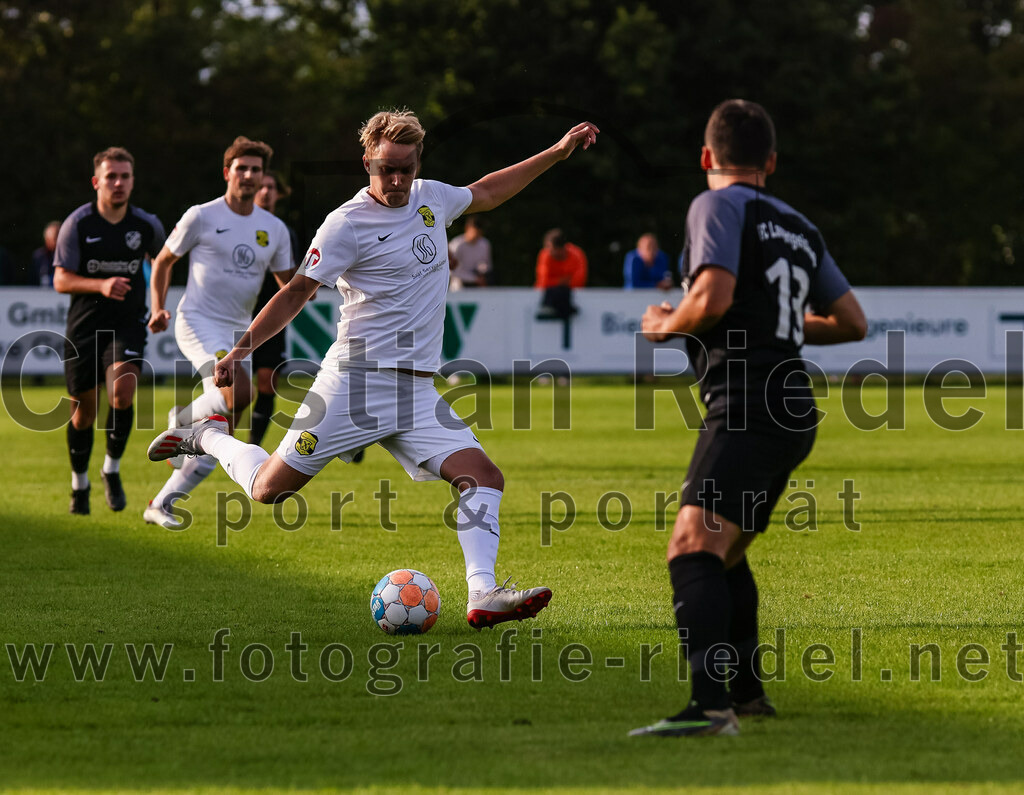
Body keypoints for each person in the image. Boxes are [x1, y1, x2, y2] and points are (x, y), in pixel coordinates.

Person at [147, 109, 599, 629]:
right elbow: (295, 292)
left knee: (483, 477)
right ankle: (206, 436)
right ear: (367, 163)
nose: (398, 180)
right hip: (355, 386)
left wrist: (556, 153)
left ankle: (483, 593)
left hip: (417, 391)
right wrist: (238, 352)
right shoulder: (345, 223)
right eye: (388, 169)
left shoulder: (432, 198)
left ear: (418, 163)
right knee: (269, 489)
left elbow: (489, 191)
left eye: (407, 168)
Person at [630, 100, 866, 737]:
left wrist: (664, 324)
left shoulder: (715, 205)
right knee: (725, 553)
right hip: (792, 406)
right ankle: (748, 695)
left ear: (707, 156)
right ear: (772, 161)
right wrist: (775, 323)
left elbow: (712, 297)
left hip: (746, 400)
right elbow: (852, 322)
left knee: (691, 547)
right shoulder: (799, 226)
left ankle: (710, 711)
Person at [143, 136, 294, 528]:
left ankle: (161, 502)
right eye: (241, 168)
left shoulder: (274, 229)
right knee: (240, 392)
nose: (249, 175)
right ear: (227, 172)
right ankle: (181, 423)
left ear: (263, 176)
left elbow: (291, 286)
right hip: (197, 321)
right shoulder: (201, 216)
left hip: (238, 335)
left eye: (256, 169)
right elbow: (163, 261)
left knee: (220, 429)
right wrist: (157, 307)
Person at [53, 147, 166, 514]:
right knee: (83, 413)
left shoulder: (146, 225)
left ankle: (111, 470)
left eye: (125, 176)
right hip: (84, 328)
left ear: (133, 181)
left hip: (127, 324)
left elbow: (162, 264)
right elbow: (60, 279)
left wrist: (158, 305)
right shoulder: (78, 224)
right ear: (96, 182)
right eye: (111, 176)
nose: (118, 183)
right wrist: (100, 285)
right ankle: (79, 484)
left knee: (122, 391)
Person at [249, 170, 302, 447]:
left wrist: (303, 289)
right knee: (233, 391)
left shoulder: (285, 232)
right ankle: (192, 425)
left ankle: (252, 446)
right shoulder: (239, 227)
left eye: (271, 187)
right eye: (262, 187)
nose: (266, 192)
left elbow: (293, 277)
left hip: (273, 318)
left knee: (266, 382)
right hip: (238, 314)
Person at [448, 215, 492, 288]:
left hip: (478, 286)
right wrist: (473, 279)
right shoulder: (456, 245)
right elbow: (452, 270)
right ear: (467, 228)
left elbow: (486, 265)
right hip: (459, 287)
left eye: (480, 233)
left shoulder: (484, 244)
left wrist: (482, 273)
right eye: (476, 232)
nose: (477, 236)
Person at [33, 221, 61, 287]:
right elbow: (33, 280)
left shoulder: (69, 255)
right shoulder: (39, 256)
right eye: (55, 238)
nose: (57, 241)